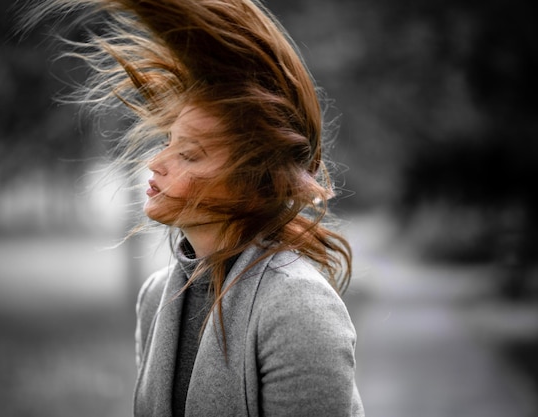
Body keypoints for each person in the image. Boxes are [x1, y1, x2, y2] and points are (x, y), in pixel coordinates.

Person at [25, 0, 364, 415]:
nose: (156, 162)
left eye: (190, 154)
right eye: (169, 141)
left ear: (253, 181)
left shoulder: (298, 307)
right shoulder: (156, 298)